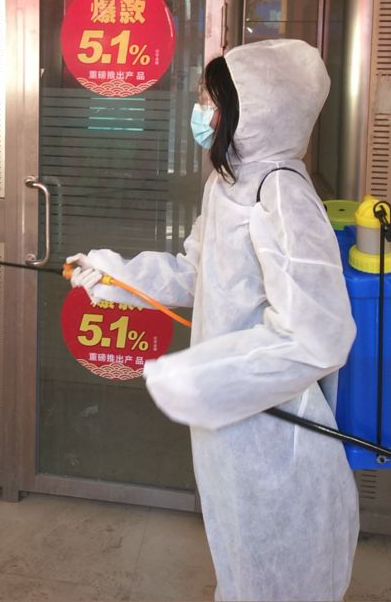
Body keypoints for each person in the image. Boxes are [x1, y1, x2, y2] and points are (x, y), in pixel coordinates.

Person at [68, 38, 359, 602]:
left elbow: (317, 336)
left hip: (276, 430)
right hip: (229, 427)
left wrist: (207, 375)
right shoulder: (228, 184)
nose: (201, 110)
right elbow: (196, 274)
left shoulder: (282, 194)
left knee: (280, 573)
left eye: (210, 99)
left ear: (254, 110)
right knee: (241, 563)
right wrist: (115, 277)